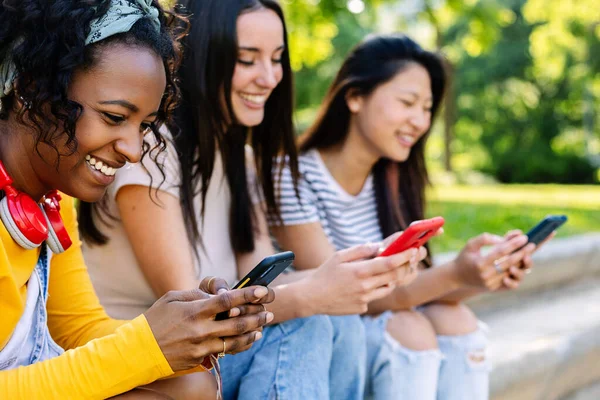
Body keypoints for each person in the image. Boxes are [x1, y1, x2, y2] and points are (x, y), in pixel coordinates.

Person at [80, 1, 422, 399]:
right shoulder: (147, 150)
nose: (269, 77)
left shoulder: (239, 161)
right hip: (147, 357)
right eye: (247, 59)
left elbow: (260, 275)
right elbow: (190, 308)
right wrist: (314, 295)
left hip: (210, 354)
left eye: (277, 59)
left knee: (334, 320)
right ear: (204, 55)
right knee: (309, 322)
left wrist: (359, 271)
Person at [0, 1, 274, 399]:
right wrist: (147, 344)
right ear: (31, 89)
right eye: (114, 117)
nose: (133, 150)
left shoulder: (52, 202)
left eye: (144, 125)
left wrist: (188, 328)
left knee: (190, 383)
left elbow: (78, 329)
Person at [270, 34, 542, 400]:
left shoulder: (392, 181)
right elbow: (342, 296)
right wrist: (454, 273)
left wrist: (482, 273)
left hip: (376, 335)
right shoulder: (292, 176)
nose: (420, 121)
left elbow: (416, 289)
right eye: (408, 102)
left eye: (427, 108)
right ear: (354, 98)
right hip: (325, 344)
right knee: (410, 329)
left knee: (455, 320)